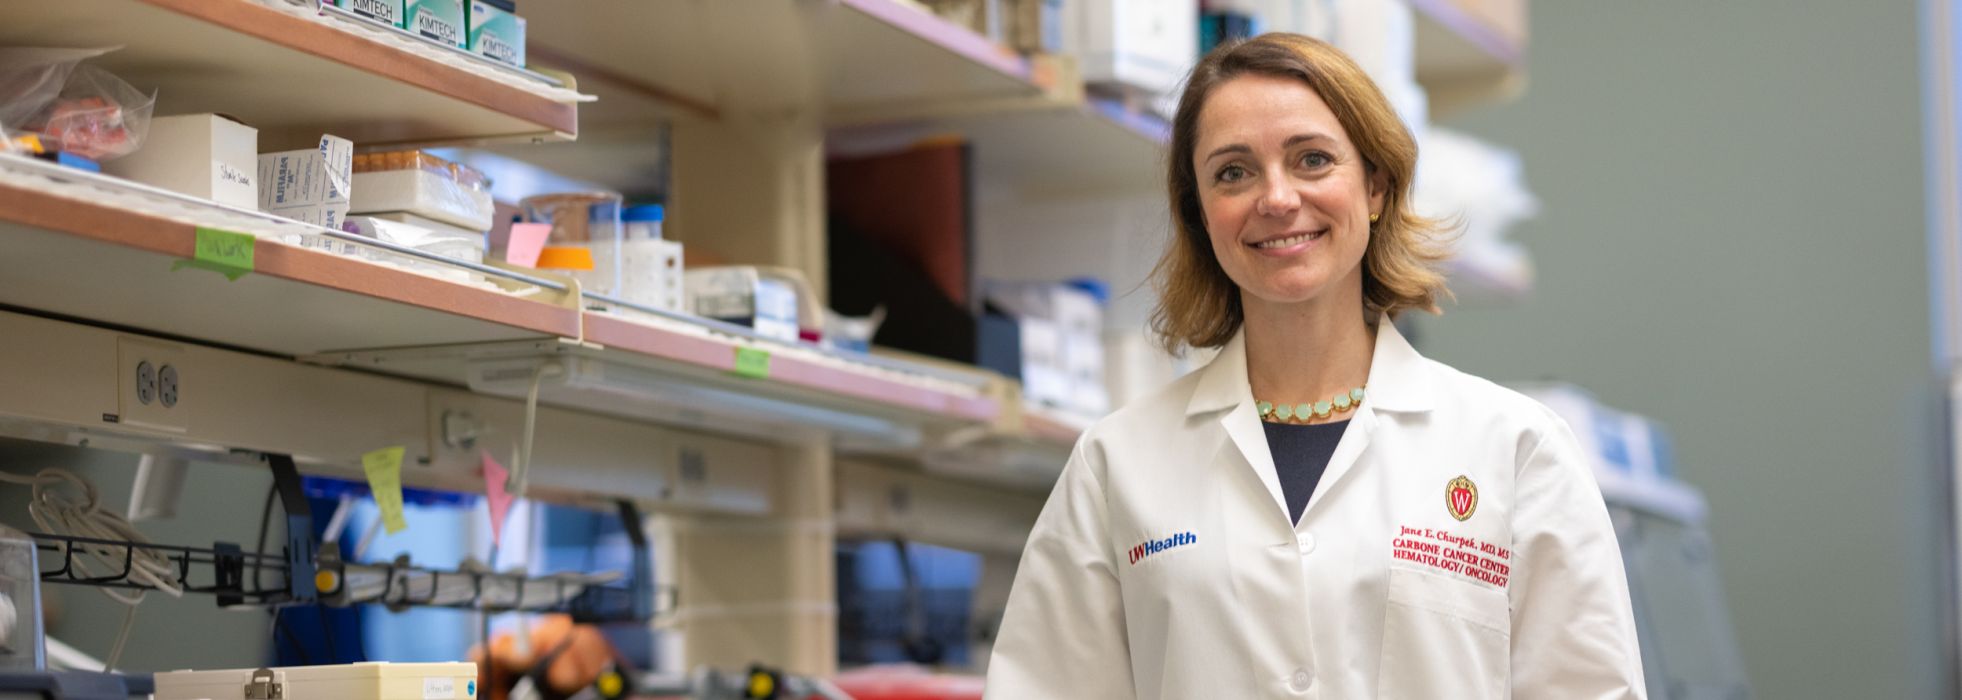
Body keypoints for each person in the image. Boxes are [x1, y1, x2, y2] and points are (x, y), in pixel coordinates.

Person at [983, 33, 1646, 699]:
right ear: (1200, 214)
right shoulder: (1116, 464)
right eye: (1233, 172)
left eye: (1312, 159)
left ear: (1376, 185)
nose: (1276, 198)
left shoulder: (1516, 449)